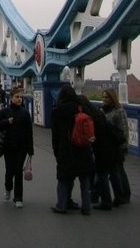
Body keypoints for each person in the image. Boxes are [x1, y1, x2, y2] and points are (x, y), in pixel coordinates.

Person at [50, 84, 94, 215]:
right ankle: (87, 208)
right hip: (83, 148)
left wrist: (56, 151)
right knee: (85, 181)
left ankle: (62, 205)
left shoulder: (57, 111)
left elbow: (55, 135)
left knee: (64, 179)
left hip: (66, 149)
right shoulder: (82, 107)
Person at [0, 86, 33, 208]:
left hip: (22, 147)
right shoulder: (5, 111)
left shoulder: (25, 113)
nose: (19, 99)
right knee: (9, 170)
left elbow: (29, 132)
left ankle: (18, 198)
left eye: (21, 97)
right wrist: (7, 122)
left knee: (18, 171)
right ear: (11, 98)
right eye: (17, 97)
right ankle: (8, 187)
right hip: (8, 146)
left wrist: (30, 150)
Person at [101, 88, 131, 206]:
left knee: (119, 170)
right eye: (103, 97)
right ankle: (120, 194)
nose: (104, 99)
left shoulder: (119, 111)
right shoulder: (103, 111)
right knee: (115, 170)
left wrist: (124, 146)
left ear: (112, 98)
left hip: (118, 146)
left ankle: (124, 194)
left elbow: (124, 130)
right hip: (108, 147)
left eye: (106, 97)